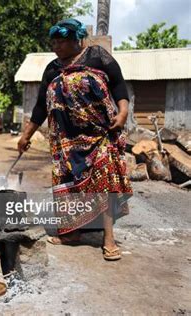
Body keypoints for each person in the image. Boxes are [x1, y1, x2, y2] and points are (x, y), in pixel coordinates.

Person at [17, 19, 132, 261]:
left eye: (61, 41)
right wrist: (26, 135)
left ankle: (108, 238)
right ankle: (72, 232)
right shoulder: (52, 69)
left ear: (76, 40)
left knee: (105, 181)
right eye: (54, 42)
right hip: (65, 140)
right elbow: (40, 107)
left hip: (100, 133)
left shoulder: (98, 56)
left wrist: (122, 113)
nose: (56, 46)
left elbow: (119, 87)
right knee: (68, 185)